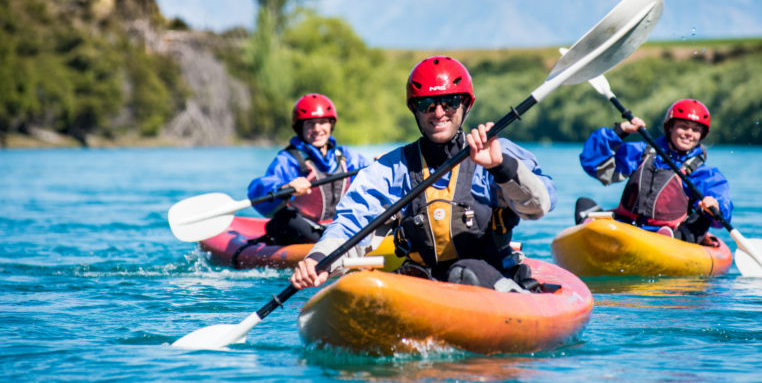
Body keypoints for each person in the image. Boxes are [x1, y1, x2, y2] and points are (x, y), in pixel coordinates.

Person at [290, 56, 557, 292]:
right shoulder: (392, 168)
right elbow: (350, 222)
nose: (438, 112)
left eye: (449, 102)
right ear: (413, 109)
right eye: (427, 104)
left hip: (492, 277)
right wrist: (319, 260)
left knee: (463, 274)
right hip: (424, 283)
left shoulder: (496, 152)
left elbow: (538, 207)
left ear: (466, 105)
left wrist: (499, 167)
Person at [577, 99, 733, 244]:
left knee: (701, 218)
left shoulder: (703, 173)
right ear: (670, 127)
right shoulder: (641, 153)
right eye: (683, 127)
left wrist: (716, 205)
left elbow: (722, 208)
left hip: (671, 234)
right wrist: (621, 130)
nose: (689, 133)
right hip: (627, 225)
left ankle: (670, 237)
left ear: (701, 135)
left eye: (696, 130)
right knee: (583, 204)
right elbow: (593, 162)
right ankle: (597, 231)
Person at [247, 93, 372, 245]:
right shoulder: (290, 159)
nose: (317, 129)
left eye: (323, 122)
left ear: (331, 125)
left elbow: (372, 176)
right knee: (285, 218)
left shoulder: (345, 156)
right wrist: (287, 187)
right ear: (300, 128)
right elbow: (256, 190)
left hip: (337, 227)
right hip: (304, 230)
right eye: (310, 124)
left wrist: (384, 165)